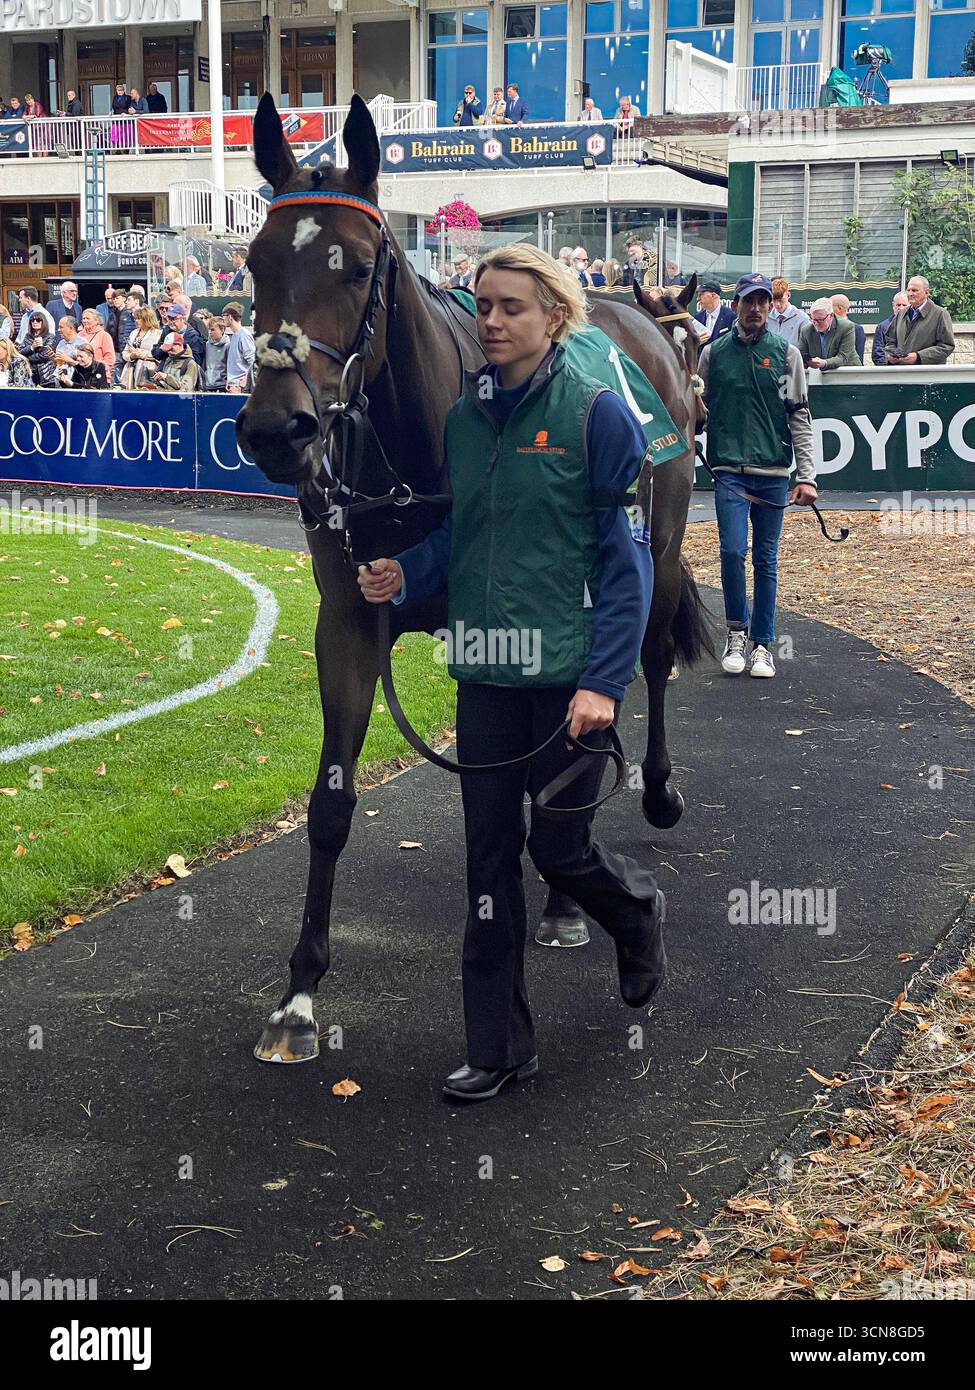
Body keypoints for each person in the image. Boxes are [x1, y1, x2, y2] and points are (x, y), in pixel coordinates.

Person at [357, 243, 664, 1102]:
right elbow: (464, 538)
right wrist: (406, 574)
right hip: (485, 675)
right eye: (484, 306)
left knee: (558, 848)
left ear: (554, 316)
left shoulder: (598, 414)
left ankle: (632, 912)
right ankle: (498, 1048)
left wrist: (604, 682)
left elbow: (624, 564)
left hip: (571, 682)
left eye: (511, 308)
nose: (491, 321)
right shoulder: (466, 417)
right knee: (487, 864)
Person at [698, 272, 817, 681]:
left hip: (772, 473)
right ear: (735, 306)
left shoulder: (786, 355)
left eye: (762, 302)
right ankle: (736, 632)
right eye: (748, 301)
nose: (754, 309)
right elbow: (699, 410)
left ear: (770, 307)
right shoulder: (712, 355)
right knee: (733, 552)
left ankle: (763, 644)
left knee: (766, 559)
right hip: (728, 470)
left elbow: (798, 415)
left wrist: (807, 476)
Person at [887, 275, 955, 365]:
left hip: (927, 375)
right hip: (902, 374)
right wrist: (890, 355)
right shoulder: (901, 314)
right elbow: (890, 340)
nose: (910, 294)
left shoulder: (940, 314)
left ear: (926, 293)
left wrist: (919, 357)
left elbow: (947, 346)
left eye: (914, 290)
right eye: (908, 290)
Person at [798, 298, 859, 370]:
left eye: (820, 320)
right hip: (820, 375)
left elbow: (843, 357)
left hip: (848, 373)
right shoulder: (806, 331)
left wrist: (824, 363)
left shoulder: (846, 327)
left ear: (831, 315)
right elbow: (802, 356)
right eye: (813, 320)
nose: (816, 324)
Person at [120, 305, 162, 389]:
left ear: (147, 319)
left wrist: (140, 353)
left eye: (139, 319)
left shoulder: (158, 334)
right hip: (130, 371)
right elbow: (125, 352)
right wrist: (131, 356)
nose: (136, 321)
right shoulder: (133, 333)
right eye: (135, 318)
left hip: (148, 371)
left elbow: (159, 354)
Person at [151, 304, 205, 369]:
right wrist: (163, 350)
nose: (171, 322)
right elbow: (156, 354)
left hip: (182, 374)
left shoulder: (193, 336)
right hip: (165, 372)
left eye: (174, 319)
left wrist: (178, 351)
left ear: (183, 319)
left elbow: (197, 361)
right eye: (169, 318)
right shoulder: (167, 331)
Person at [767, 277, 809, 347]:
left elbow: (806, 347)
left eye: (781, 300)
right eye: (774, 300)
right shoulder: (765, 318)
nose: (777, 304)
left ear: (788, 295)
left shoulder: (803, 319)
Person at [872, 290, 909, 366]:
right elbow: (878, 354)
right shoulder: (882, 327)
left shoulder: (915, 325)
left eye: (904, 305)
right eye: (898, 305)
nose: (901, 308)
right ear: (893, 305)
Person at [224, 302, 255, 392]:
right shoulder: (234, 336)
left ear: (230, 317)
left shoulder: (244, 335)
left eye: (224, 315)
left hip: (240, 387)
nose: (223, 318)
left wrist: (243, 383)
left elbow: (252, 361)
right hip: (233, 386)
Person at [692, 279, 734, 344]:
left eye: (701, 295)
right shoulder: (697, 318)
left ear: (713, 295)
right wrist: (696, 342)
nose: (698, 298)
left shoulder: (731, 316)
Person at [23, 312, 56, 386]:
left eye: (38, 320)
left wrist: (27, 358)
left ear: (43, 322)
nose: (35, 322)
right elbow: (19, 352)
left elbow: (45, 355)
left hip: (46, 375)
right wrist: (32, 347)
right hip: (31, 374)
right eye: (32, 320)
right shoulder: (27, 336)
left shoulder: (50, 337)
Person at [830, 294, 865, 364]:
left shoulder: (857, 329)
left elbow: (858, 356)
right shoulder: (825, 328)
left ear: (839, 309)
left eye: (829, 307)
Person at [201, 316, 230, 390]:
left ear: (222, 330)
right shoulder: (207, 344)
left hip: (222, 386)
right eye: (209, 330)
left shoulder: (228, 345)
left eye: (213, 330)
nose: (210, 332)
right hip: (208, 385)